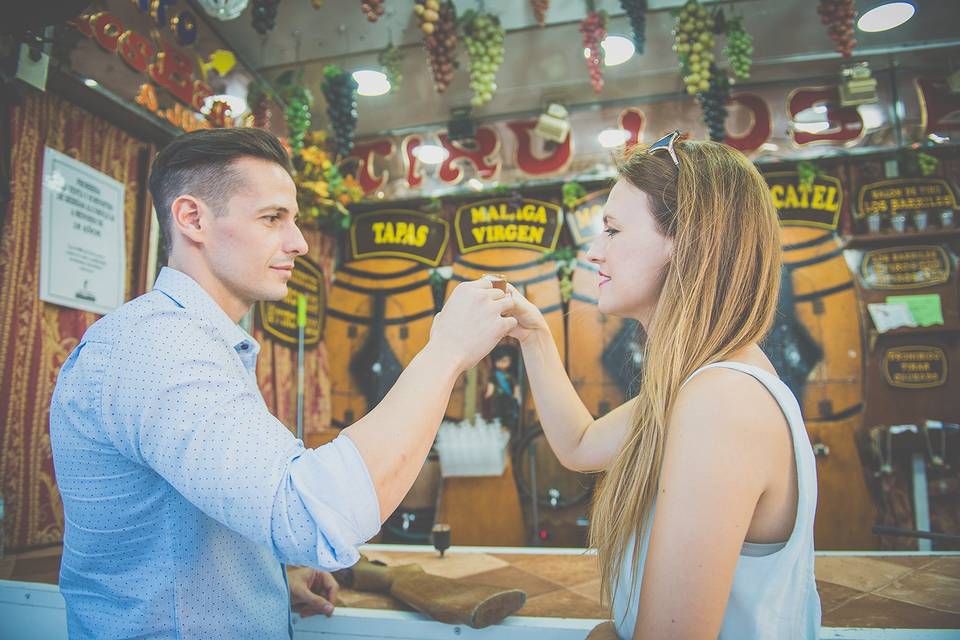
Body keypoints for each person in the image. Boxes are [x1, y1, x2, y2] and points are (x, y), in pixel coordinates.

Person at [49, 127, 517, 639]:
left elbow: (210, 509)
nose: (299, 243)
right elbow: (310, 517)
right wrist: (446, 352)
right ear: (192, 218)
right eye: (272, 218)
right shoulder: (157, 348)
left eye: (293, 220)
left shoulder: (197, 343)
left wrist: (261, 578)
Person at [505, 131, 821, 639]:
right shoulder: (701, 382)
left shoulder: (721, 401)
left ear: (687, 241)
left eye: (611, 230)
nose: (593, 252)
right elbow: (580, 444)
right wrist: (535, 337)